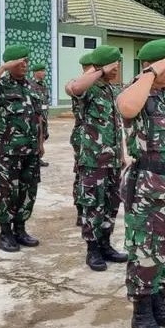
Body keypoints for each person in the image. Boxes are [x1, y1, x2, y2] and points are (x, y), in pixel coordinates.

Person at [116, 38, 165, 328]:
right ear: (154, 65)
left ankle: (160, 302)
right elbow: (126, 107)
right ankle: (142, 311)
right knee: (147, 251)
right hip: (150, 189)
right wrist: (149, 72)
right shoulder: (139, 92)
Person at [65, 45, 128, 271]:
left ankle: (106, 244)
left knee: (111, 203)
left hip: (112, 159)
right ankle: (92, 249)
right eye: (114, 64)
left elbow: (117, 124)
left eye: (118, 64)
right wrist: (99, 71)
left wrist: (122, 153)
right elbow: (73, 88)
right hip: (92, 159)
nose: (117, 68)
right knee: (93, 204)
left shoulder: (112, 90)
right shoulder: (88, 88)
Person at [0, 44, 44, 252]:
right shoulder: (2, 85)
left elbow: (39, 117)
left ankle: (20, 229)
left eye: (26, 60)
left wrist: (40, 144)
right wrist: (3, 68)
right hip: (8, 152)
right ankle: (5, 233)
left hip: (31, 152)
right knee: (6, 192)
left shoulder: (34, 86)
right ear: (11, 64)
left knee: (27, 191)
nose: (24, 64)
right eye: (20, 61)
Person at [70, 53, 93, 227]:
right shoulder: (78, 84)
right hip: (82, 136)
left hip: (98, 140)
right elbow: (74, 89)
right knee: (81, 173)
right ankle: (80, 209)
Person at [30, 63, 50, 167]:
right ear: (35, 72)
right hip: (36, 117)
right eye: (41, 71)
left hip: (44, 116)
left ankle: (38, 157)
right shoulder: (30, 85)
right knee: (35, 136)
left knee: (43, 135)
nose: (44, 73)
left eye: (44, 71)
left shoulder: (44, 85)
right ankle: (34, 158)